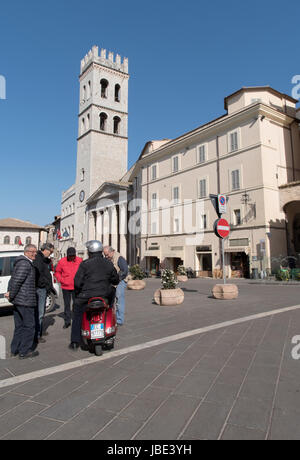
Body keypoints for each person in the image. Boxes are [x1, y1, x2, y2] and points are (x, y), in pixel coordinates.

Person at [69, 240, 119, 351]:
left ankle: (74, 342)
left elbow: (77, 282)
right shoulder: (108, 263)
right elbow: (116, 279)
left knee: (77, 314)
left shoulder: (85, 264)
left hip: (87, 296)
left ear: (90, 252)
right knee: (111, 305)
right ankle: (110, 323)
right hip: (104, 295)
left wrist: (79, 292)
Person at [5, 244, 39, 359]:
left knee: (19, 326)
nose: (35, 254)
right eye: (33, 252)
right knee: (29, 326)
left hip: (20, 300)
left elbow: (12, 279)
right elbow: (17, 281)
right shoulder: (25, 264)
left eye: (35, 251)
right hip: (25, 300)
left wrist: (11, 294)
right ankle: (24, 351)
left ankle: (14, 349)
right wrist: (11, 295)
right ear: (27, 252)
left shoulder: (20, 263)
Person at [54, 247, 82, 329]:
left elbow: (84, 271)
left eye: (73, 256)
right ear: (67, 255)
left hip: (76, 286)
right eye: (70, 256)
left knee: (76, 304)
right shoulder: (62, 261)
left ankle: (77, 320)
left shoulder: (79, 260)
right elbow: (57, 272)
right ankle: (67, 321)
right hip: (65, 287)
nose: (71, 257)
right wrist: (61, 280)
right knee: (67, 305)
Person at [33, 243, 55, 342]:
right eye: (50, 252)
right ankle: (37, 335)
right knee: (39, 313)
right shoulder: (38, 259)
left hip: (43, 289)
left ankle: (40, 330)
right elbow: (39, 275)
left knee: (41, 312)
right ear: (45, 250)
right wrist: (45, 285)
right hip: (40, 288)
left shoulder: (43, 259)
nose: (50, 254)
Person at [103, 246, 128, 326]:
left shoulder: (119, 258)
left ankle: (119, 320)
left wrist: (117, 279)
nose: (106, 257)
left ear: (112, 252)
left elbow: (124, 270)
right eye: (105, 255)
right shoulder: (109, 258)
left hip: (120, 281)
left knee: (119, 298)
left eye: (107, 255)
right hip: (113, 281)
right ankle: (111, 317)